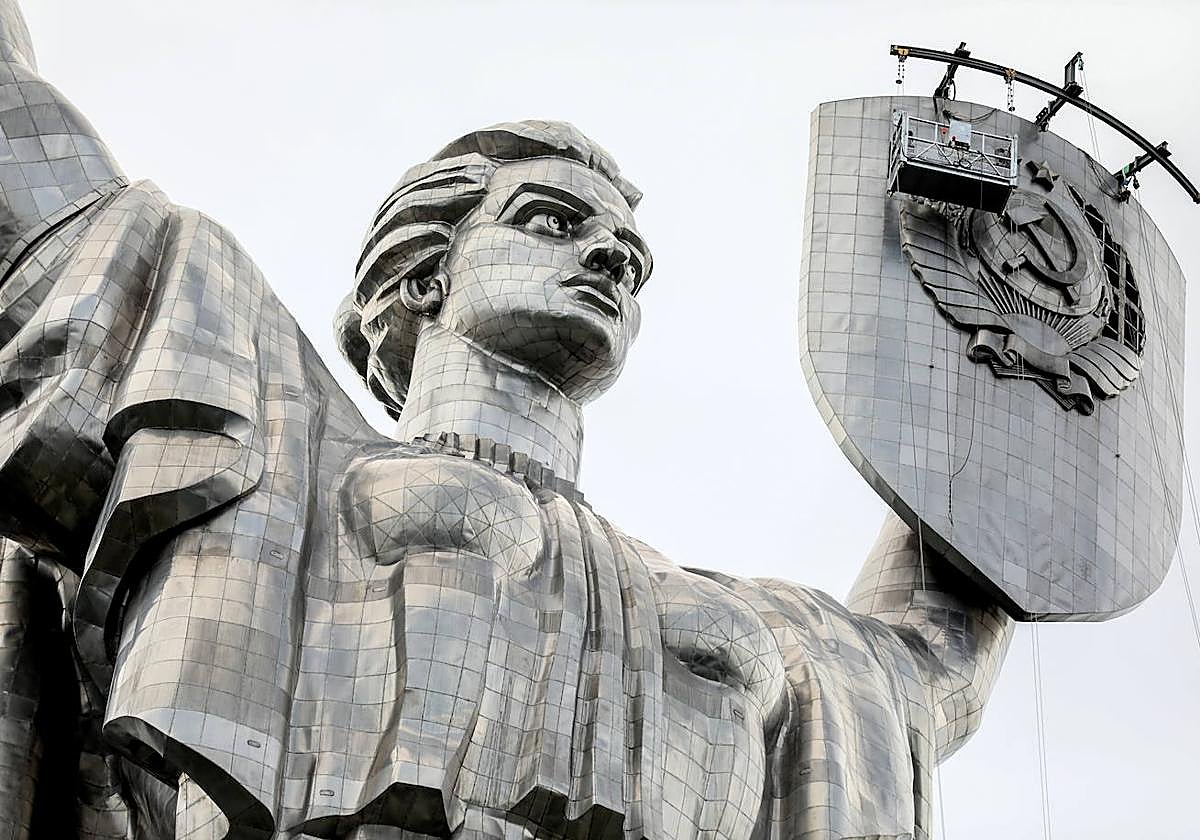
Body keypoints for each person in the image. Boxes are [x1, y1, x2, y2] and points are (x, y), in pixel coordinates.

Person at [0, 3, 1010, 838]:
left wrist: (1000, 353)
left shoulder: (771, 632)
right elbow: (25, 171)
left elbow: (929, 652)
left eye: (632, 251)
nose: (613, 257)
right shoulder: (272, 433)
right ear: (426, 271)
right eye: (551, 221)